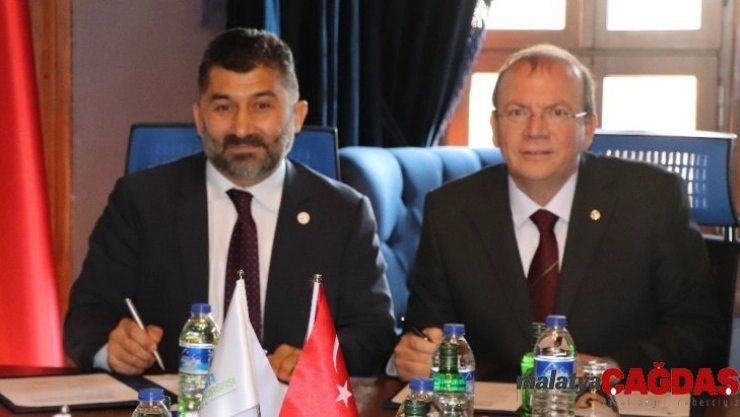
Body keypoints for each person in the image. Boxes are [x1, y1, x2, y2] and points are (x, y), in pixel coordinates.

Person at [64, 28, 396, 380]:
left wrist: (317, 360)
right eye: (224, 107)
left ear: (297, 116)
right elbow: (86, 316)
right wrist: (112, 349)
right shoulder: (142, 201)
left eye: (261, 106)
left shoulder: (343, 213)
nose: (241, 128)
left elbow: (374, 334)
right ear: (199, 118)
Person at [394, 44, 721, 382]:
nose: (535, 130)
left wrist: (611, 369)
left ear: (588, 129)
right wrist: (419, 356)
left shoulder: (651, 200)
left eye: (557, 112)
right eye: (517, 112)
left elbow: (699, 332)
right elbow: (423, 334)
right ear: (495, 126)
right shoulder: (450, 211)